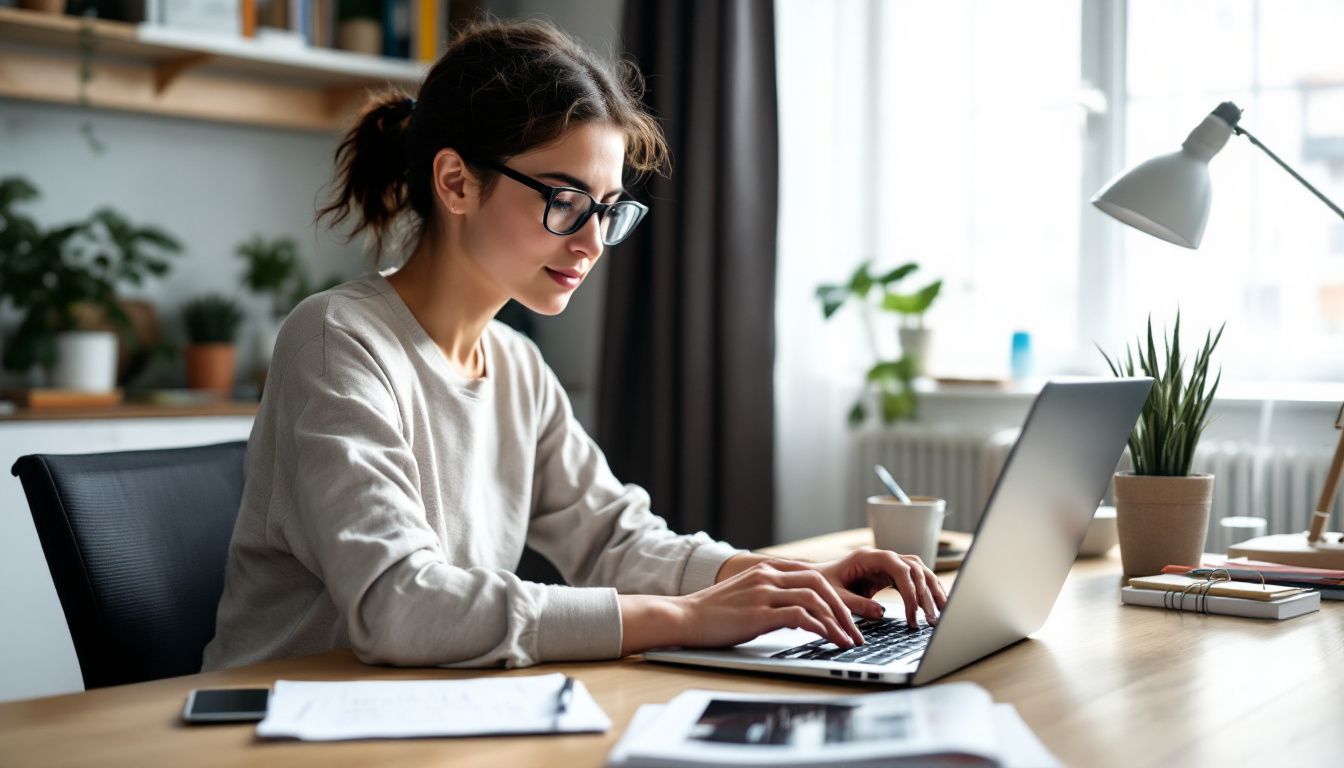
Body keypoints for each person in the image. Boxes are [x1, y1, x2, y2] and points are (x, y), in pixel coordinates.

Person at [202, 18, 945, 672]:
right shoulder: (337, 341)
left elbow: (615, 541)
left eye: (609, 211)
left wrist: (785, 578)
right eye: (565, 201)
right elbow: (400, 604)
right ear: (457, 183)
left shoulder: (518, 366)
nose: (593, 243)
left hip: (430, 713)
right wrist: (687, 618)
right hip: (276, 725)